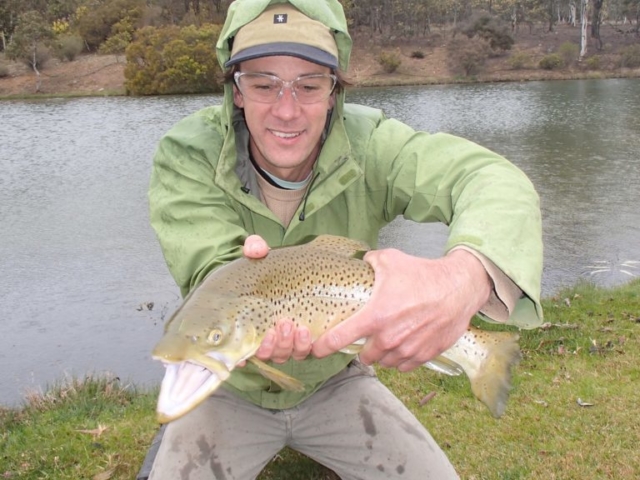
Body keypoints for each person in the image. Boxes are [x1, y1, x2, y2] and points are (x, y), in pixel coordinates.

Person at [147, 0, 543, 478]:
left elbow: (492, 180)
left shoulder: (373, 144)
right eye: (264, 84)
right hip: (229, 385)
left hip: (337, 380)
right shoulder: (187, 153)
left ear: (335, 92)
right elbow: (211, 272)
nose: (287, 110)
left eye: (309, 86)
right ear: (236, 90)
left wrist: (464, 278)